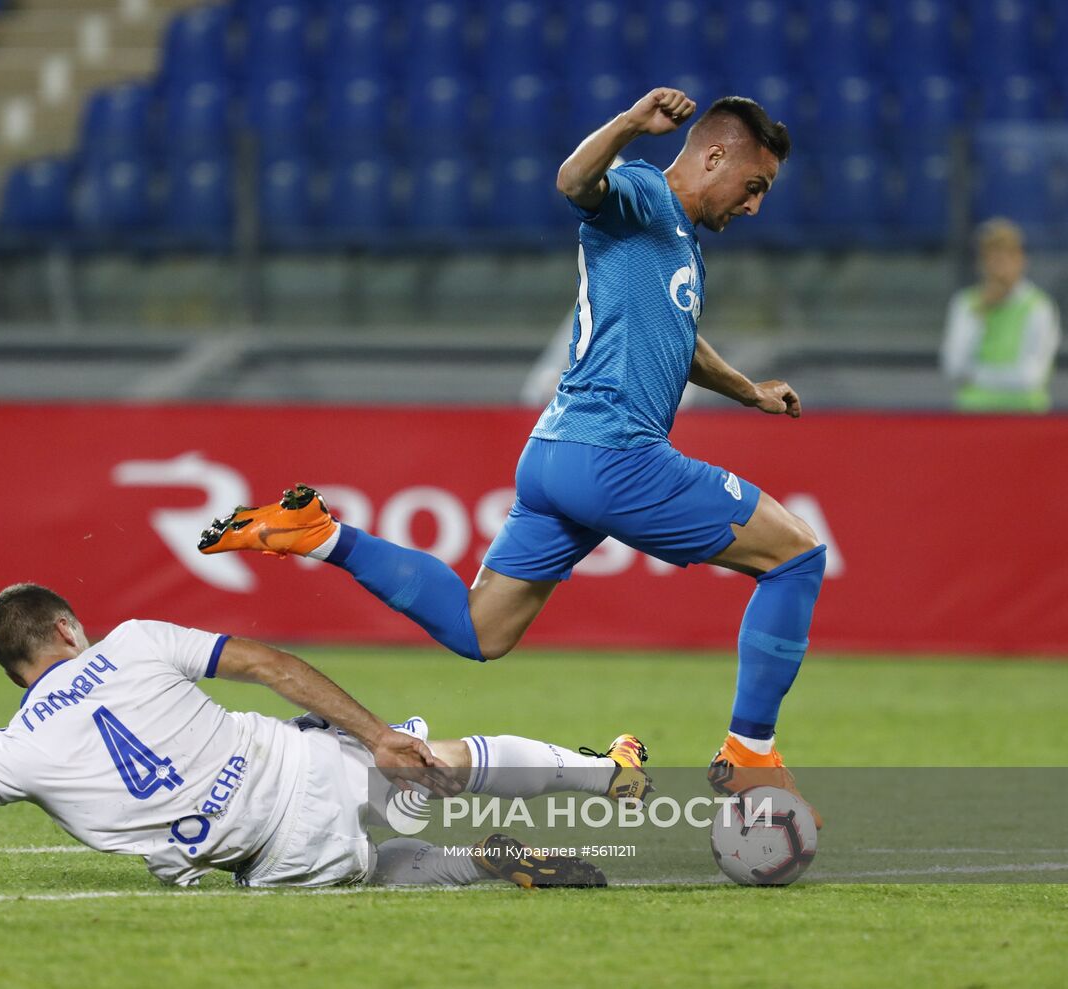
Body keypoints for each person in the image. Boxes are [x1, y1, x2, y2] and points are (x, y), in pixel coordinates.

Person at [199, 89, 825, 824]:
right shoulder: (643, 195)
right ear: (714, 155)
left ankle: (320, 534)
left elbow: (682, 343)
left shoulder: (677, 239)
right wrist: (627, 124)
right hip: (615, 455)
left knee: (479, 630)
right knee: (796, 557)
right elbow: (572, 183)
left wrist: (747, 389)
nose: (755, 207)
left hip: (554, 454)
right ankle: (751, 749)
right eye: (755, 187)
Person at [0, 583, 650, 889]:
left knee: (376, 869)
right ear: (67, 627)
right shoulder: (138, 640)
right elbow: (274, 661)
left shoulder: (2, 755)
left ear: (15, 670)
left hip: (271, 859)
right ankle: (600, 773)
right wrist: (374, 733)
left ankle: (481, 864)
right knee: (429, 760)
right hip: (307, 764)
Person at [941, 218, 1060, 413]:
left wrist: (977, 376)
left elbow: (1031, 376)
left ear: (1021, 260)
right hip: (973, 414)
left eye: (1005, 258)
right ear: (981, 264)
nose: (998, 268)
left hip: (1025, 414)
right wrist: (980, 315)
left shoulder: (1039, 307)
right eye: (991, 259)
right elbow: (954, 367)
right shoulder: (966, 304)